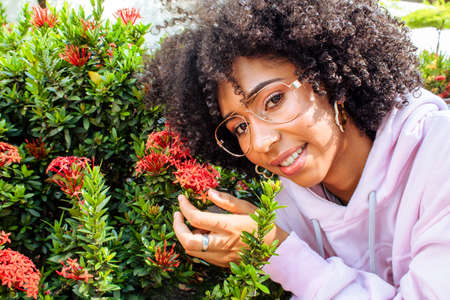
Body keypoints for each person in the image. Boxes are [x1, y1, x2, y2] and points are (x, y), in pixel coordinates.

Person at [142, 0, 450, 298]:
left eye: (274, 100)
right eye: (240, 127)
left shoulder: (440, 151)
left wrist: (281, 252)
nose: (261, 142)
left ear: (331, 77)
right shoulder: (287, 210)